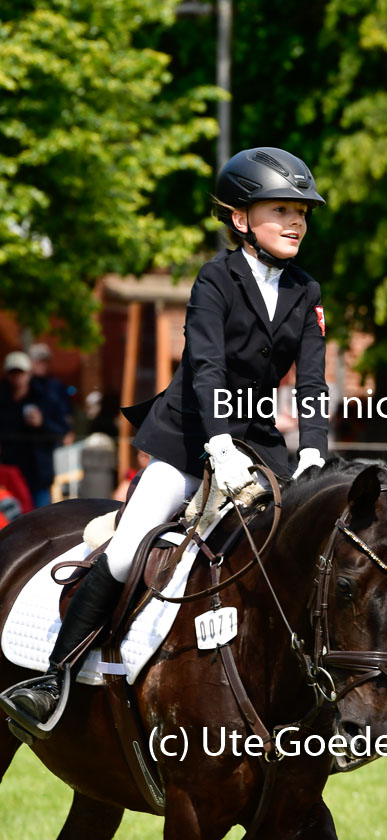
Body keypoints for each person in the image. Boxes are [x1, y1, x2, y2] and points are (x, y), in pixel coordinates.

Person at [9, 146, 329, 729]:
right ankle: (53, 679)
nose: (296, 222)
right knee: (132, 546)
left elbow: (312, 381)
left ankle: (305, 693)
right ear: (241, 219)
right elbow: (205, 366)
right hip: (190, 440)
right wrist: (219, 445)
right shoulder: (215, 278)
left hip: (260, 447)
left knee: (296, 551)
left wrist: (313, 453)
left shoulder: (306, 290)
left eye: (302, 213)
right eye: (282, 209)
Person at [0, 351, 69, 508]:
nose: (17, 378)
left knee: (38, 523)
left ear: (28, 374)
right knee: (10, 522)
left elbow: (61, 431)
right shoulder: (2, 399)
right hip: (9, 472)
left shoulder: (44, 397)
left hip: (38, 474)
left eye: (21, 373)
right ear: (7, 375)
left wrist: (41, 422)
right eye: (13, 373)